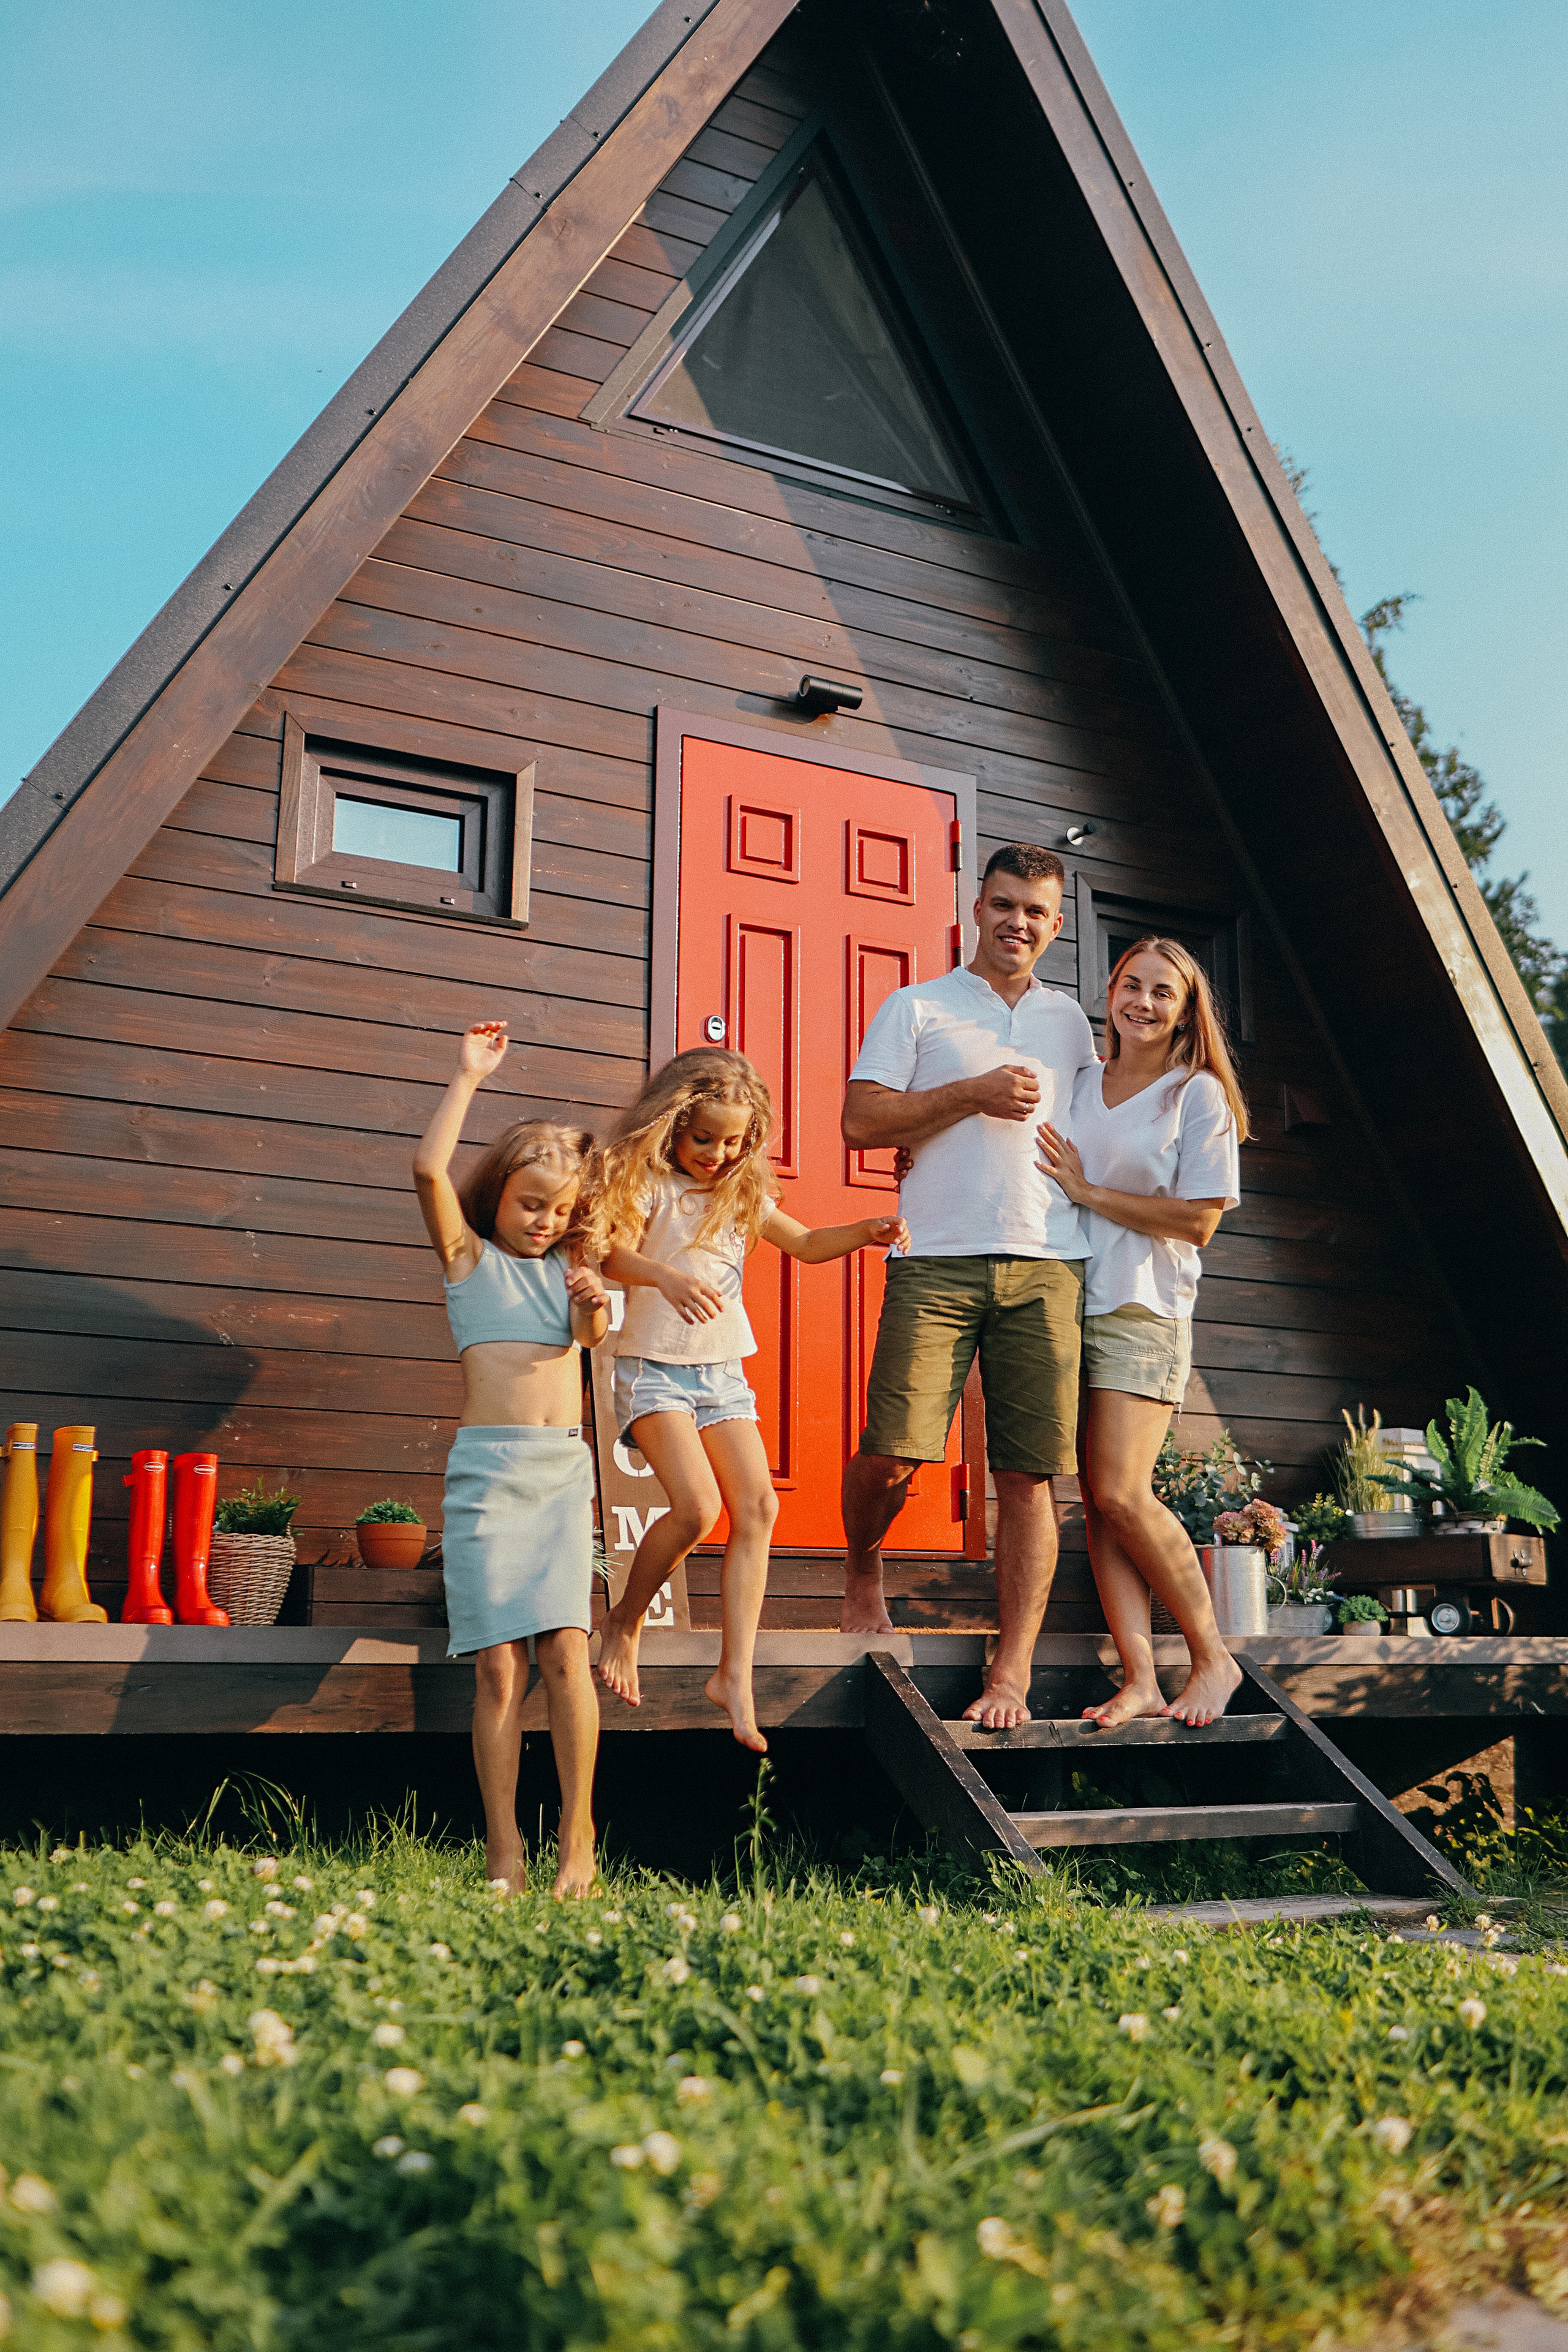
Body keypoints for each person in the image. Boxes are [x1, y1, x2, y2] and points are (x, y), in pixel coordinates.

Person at [840, 843, 1098, 1729]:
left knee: (1030, 1478)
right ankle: (863, 1569)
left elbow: (1099, 1130)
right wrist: (969, 1095)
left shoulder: (1073, 1024)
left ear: (1055, 926)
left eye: (1035, 910)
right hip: (938, 1258)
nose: (1017, 922)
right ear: (974, 907)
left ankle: (1011, 1672)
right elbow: (859, 1121)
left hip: (1049, 1263)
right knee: (896, 1450)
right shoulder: (917, 1006)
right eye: (1003, 904)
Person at [585, 1049, 908, 1751]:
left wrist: (868, 1231)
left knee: (758, 1506)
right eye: (704, 1138)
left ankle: (734, 1673)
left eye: (733, 1142)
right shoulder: (646, 1182)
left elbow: (810, 1244)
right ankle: (624, 1621)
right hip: (652, 1368)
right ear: (672, 1124)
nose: (717, 1154)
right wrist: (663, 1277)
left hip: (721, 1373)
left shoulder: (739, 1192)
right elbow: (609, 1256)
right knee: (698, 1508)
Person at [413, 1020, 609, 1899]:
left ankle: (578, 1839)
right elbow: (426, 1172)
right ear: (499, 1195)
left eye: (562, 1210)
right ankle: (503, 1847)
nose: (546, 1221)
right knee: (500, 1666)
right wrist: (467, 1077)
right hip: (488, 1477)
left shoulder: (572, 1271)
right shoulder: (468, 1262)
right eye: (532, 1203)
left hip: (561, 1474)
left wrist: (597, 1297)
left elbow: (592, 1337)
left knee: (568, 1651)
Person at [1035, 937, 1245, 1728]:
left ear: (1186, 1010)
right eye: (1133, 985)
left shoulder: (1196, 1097)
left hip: (1143, 1308)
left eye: (1164, 992)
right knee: (1098, 1501)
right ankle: (1141, 1679)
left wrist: (1091, 1191)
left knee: (1124, 1489)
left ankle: (1213, 1659)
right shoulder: (1084, 1081)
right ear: (1111, 990)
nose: (1145, 1003)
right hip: (1069, 1301)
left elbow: (1198, 1220)